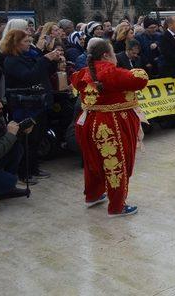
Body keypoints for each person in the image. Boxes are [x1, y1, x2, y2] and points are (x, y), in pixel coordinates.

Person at [71, 38, 148, 217]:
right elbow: (141, 78)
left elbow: (75, 82)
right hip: (110, 124)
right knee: (116, 164)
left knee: (93, 162)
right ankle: (117, 206)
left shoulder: (81, 73)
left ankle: (93, 195)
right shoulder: (112, 73)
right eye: (113, 53)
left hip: (87, 122)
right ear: (106, 55)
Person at [0, 30, 62, 182]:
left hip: (38, 102)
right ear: (16, 43)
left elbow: (42, 72)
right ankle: (24, 173)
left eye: (29, 41)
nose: (29, 44)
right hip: (24, 106)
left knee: (37, 138)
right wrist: (45, 59)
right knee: (27, 140)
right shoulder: (12, 60)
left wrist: (52, 60)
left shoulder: (29, 56)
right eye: (26, 41)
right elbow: (29, 77)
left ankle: (34, 168)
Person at [0, 94, 31, 201]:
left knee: (15, 147)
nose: (1, 105)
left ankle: (5, 191)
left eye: (0, 102)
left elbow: (4, 140)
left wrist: (19, 131)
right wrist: (10, 134)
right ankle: (3, 188)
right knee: (9, 181)